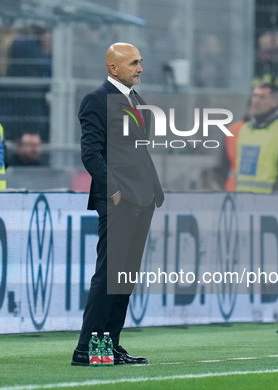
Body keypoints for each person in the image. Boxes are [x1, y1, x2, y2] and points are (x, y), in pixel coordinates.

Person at [72, 43, 164, 366]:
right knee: (110, 274)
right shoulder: (96, 101)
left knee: (124, 277)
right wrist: (115, 192)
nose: (140, 68)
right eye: (134, 63)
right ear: (113, 68)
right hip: (120, 201)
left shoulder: (136, 101)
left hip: (142, 199)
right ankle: (87, 348)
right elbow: (91, 154)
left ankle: (109, 345)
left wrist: (152, 191)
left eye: (140, 62)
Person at [235, 82, 278, 193]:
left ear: (274, 102)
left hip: (270, 203)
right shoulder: (245, 129)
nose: (256, 101)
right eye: (254, 96)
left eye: (262, 97)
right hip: (243, 200)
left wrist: (276, 197)